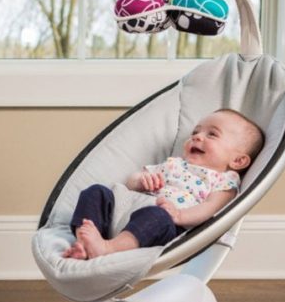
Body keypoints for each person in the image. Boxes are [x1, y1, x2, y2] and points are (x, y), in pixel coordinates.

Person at [63, 109, 264, 260]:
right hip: (126, 209)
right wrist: (140, 181)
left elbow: (211, 208)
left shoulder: (224, 180)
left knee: (157, 216)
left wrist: (179, 216)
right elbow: (131, 182)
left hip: (162, 222)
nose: (197, 136)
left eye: (212, 134)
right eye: (195, 132)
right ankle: (85, 243)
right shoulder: (174, 164)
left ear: (238, 161)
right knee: (95, 192)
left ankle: (108, 248)